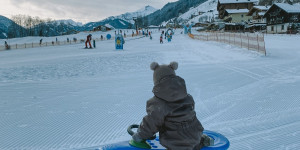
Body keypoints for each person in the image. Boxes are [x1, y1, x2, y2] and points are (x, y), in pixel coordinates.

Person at [132, 62, 213, 150]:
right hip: (196, 134)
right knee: (192, 142)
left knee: (180, 144)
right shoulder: (187, 96)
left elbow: (151, 122)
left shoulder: (159, 103)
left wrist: (140, 136)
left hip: (176, 142)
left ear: (157, 81)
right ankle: (202, 141)